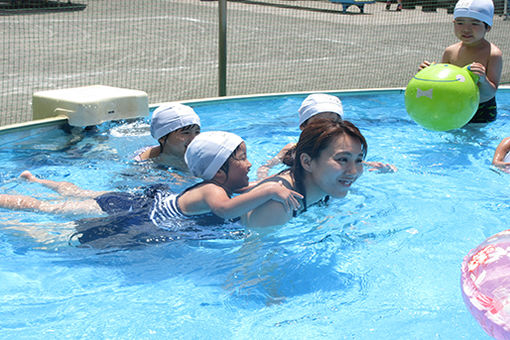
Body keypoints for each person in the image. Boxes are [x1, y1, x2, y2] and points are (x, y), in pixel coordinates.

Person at [0, 131, 303, 247]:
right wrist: (270, 192)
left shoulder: (220, 183)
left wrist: (274, 174)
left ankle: (37, 182)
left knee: (80, 195)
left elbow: (256, 183)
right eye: (242, 159)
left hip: (151, 200)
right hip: (148, 216)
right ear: (219, 169)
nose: (249, 165)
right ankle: (8, 219)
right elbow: (225, 212)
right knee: (58, 227)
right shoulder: (213, 191)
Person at [242, 118, 366, 228]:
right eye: (342, 159)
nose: (353, 171)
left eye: (358, 160)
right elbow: (252, 250)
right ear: (307, 162)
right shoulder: (278, 205)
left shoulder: (323, 184)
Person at [256, 93, 396, 180]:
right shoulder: (291, 149)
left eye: (333, 122)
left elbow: (351, 164)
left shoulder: (341, 152)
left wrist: (377, 168)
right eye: (319, 122)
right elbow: (265, 167)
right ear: (303, 126)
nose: (326, 127)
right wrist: (264, 183)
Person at [419, 0, 503, 124]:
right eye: (460, 23)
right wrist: (427, 73)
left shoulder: (493, 54)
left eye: (474, 24)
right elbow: (442, 85)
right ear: (453, 23)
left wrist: (483, 80)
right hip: (453, 106)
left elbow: (490, 93)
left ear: (488, 27)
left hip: (481, 111)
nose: (466, 29)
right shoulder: (450, 51)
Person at [134, 103, 201, 171]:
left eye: (197, 132)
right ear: (162, 138)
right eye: (186, 133)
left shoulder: (203, 155)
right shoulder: (142, 164)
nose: (194, 138)